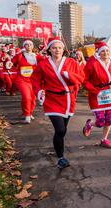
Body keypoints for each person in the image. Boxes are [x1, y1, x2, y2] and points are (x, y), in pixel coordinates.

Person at [31, 37, 85, 169]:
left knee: (63, 130)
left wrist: (69, 76)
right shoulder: (43, 64)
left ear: (63, 49)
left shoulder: (71, 62)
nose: (57, 50)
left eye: (59, 47)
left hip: (68, 100)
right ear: (49, 49)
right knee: (60, 129)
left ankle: (58, 146)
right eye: (54, 47)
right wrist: (39, 92)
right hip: (52, 100)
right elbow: (35, 80)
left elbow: (81, 78)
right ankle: (61, 158)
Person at [82, 41, 111, 148]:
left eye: (107, 51)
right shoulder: (92, 63)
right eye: (103, 51)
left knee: (108, 120)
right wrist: (94, 90)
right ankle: (90, 124)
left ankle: (104, 139)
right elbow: (84, 80)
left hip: (110, 94)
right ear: (98, 52)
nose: (105, 53)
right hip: (97, 95)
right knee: (100, 122)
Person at [12, 40, 42, 123]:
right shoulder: (19, 56)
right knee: (26, 97)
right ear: (24, 46)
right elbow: (10, 63)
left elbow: (46, 63)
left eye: (30, 44)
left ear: (33, 46)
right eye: (27, 45)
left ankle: (29, 112)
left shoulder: (37, 57)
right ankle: (27, 115)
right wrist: (9, 63)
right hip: (21, 80)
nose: (29, 46)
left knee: (32, 99)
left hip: (33, 81)